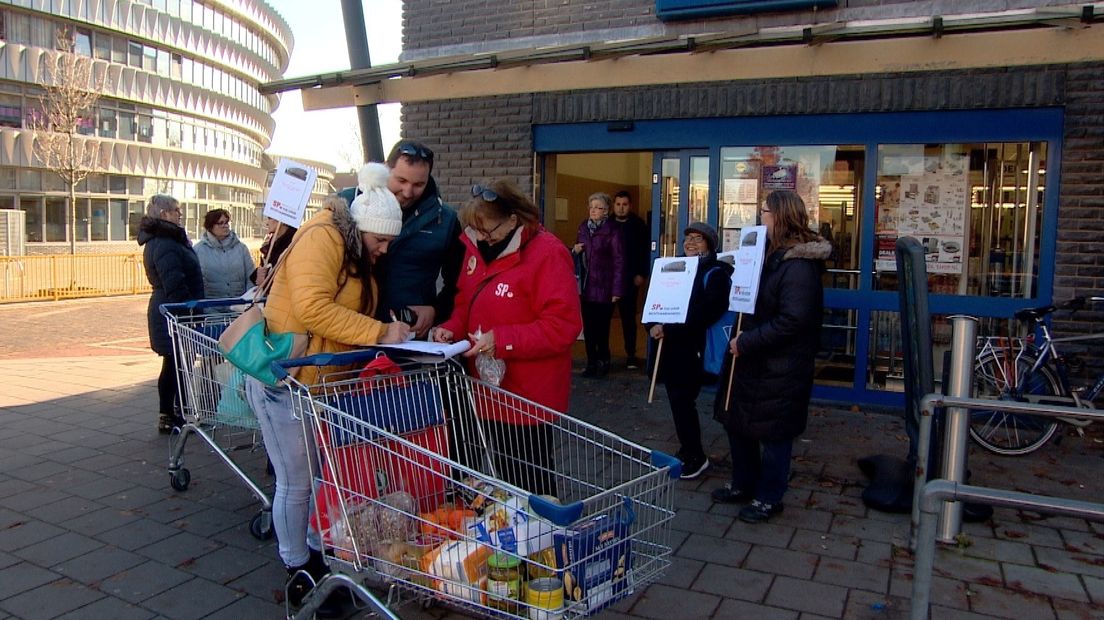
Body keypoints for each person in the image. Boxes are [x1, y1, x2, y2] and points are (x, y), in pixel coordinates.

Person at [244, 164, 411, 615]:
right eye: (383, 239)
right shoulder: (325, 237)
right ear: (366, 228)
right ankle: (298, 571)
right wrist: (379, 332)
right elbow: (313, 308)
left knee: (319, 479)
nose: (385, 249)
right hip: (289, 379)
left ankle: (319, 563)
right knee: (296, 482)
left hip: (320, 384)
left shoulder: (352, 248)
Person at [432, 179, 582, 495]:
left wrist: (501, 339)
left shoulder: (548, 254)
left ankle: (541, 538)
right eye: (478, 232)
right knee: (503, 477)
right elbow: (466, 301)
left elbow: (563, 326)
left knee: (528, 480)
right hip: (487, 389)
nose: (484, 240)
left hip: (526, 395)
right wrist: (452, 328)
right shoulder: (477, 246)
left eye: (490, 231)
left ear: (514, 219)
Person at [712, 190, 831, 523]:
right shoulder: (768, 254)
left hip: (780, 365)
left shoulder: (799, 266)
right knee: (739, 424)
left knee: (775, 433)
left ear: (779, 216)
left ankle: (769, 496)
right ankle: (743, 484)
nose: (759, 217)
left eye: (763, 211)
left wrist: (748, 341)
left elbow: (793, 320)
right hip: (753, 359)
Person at [339, 140, 463, 338]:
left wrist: (436, 310)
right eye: (401, 181)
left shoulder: (445, 220)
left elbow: (459, 283)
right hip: (352, 330)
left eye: (418, 184)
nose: (407, 192)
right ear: (386, 169)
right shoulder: (348, 203)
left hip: (409, 337)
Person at [648, 222, 732, 480]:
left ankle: (695, 456)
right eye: (688, 238)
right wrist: (652, 325)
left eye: (698, 238)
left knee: (684, 401)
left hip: (694, 348)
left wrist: (670, 329)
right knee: (677, 400)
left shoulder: (716, 273)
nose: (691, 243)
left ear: (710, 244)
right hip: (673, 347)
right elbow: (656, 301)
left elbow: (706, 312)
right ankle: (688, 450)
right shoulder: (674, 268)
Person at [137, 194, 203, 433]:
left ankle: (175, 411)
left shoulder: (169, 239)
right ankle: (169, 414)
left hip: (172, 309)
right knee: (174, 363)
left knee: (176, 363)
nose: (180, 213)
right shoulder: (164, 242)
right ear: (164, 214)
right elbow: (174, 281)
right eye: (176, 210)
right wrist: (189, 311)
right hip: (172, 311)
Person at [572, 192, 625, 378]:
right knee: (588, 328)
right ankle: (591, 363)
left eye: (598, 208)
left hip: (605, 287)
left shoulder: (613, 231)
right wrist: (575, 250)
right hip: (586, 287)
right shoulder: (583, 228)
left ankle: (604, 361)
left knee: (602, 328)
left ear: (606, 211)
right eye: (591, 207)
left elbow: (619, 261)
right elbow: (576, 255)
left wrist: (617, 290)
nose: (594, 211)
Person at [613, 191, 650, 370]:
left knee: (628, 318)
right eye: (618, 204)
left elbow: (645, 251)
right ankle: (602, 356)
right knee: (604, 319)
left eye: (624, 204)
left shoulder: (638, 225)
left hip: (629, 279)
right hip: (608, 280)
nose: (621, 208)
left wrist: (641, 273)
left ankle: (631, 354)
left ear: (630, 206)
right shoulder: (608, 224)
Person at [193, 208, 255, 300]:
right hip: (210, 309)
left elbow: (251, 276)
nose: (225, 226)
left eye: (226, 222)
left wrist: (248, 301)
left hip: (238, 307)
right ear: (210, 226)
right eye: (220, 223)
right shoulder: (198, 250)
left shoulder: (241, 248)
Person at [251, 216, 297, 288]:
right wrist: (258, 274)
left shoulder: (293, 243)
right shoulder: (273, 242)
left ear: (281, 221)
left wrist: (265, 281)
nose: (266, 223)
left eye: (270, 218)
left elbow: (288, 279)